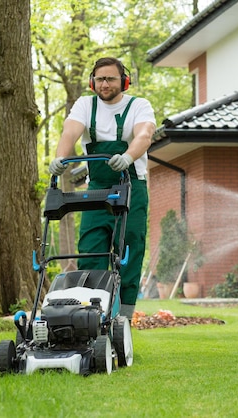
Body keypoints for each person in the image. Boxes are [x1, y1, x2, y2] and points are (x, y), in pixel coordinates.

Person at [49, 57, 157, 321]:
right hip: (96, 189)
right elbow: (70, 132)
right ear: (92, 82)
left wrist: (129, 157)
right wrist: (61, 158)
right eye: (99, 79)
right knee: (90, 249)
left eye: (110, 78)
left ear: (124, 81)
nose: (104, 83)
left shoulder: (139, 105)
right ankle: (90, 314)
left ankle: (124, 319)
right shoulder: (86, 105)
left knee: (129, 251)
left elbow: (144, 134)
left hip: (132, 187)